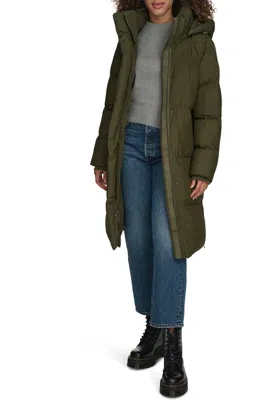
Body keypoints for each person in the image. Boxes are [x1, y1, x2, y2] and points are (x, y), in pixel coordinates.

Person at [90, 0, 221, 397]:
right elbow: (113, 100)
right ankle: (155, 328)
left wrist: (202, 168)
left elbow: (209, 109)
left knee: (168, 241)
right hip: (130, 145)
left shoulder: (197, 39)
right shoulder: (131, 34)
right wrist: (103, 155)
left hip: (173, 152)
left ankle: (173, 343)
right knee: (140, 240)